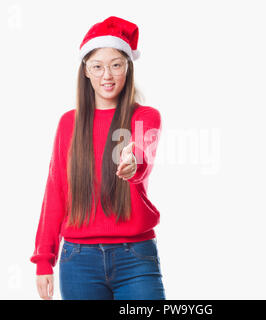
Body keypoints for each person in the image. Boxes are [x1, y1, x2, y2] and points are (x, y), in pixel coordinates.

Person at [30, 16, 165, 300]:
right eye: (98, 66)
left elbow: (144, 152)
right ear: (86, 72)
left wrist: (134, 163)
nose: (107, 75)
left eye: (116, 64)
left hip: (136, 256)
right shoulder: (69, 123)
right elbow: (55, 192)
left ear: (128, 69)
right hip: (78, 261)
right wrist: (44, 258)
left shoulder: (145, 116)